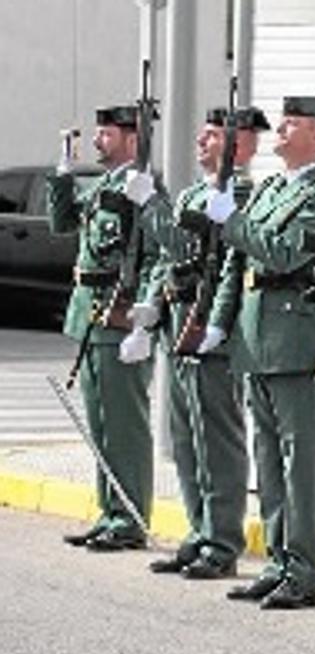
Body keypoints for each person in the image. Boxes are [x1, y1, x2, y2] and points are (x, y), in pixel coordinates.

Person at [201, 93, 315, 609]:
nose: (279, 132)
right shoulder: (265, 192)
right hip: (255, 336)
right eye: (281, 124)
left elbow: (284, 253)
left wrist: (232, 221)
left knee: (299, 460)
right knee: (268, 457)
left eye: (292, 124)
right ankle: (279, 561)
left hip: (297, 338)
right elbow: (238, 268)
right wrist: (219, 324)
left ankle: (304, 571)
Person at [137, 106, 269, 579]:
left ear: (244, 146)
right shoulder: (195, 191)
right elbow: (167, 261)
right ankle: (198, 529)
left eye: (214, 135)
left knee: (217, 436)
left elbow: (185, 246)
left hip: (212, 325)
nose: (201, 141)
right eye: (204, 132)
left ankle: (222, 540)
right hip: (179, 318)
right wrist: (150, 307)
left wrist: (151, 208)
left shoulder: (244, 197)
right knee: (185, 435)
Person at [49, 104, 162, 552]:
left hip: (119, 316)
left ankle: (131, 516)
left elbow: (155, 258)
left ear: (133, 140)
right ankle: (110, 511)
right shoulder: (103, 186)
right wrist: (62, 175)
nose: (98, 141)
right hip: (90, 312)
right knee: (100, 422)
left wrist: (144, 318)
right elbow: (62, 225)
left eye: (106, 134)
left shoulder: (145, 191)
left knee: (124, 423)